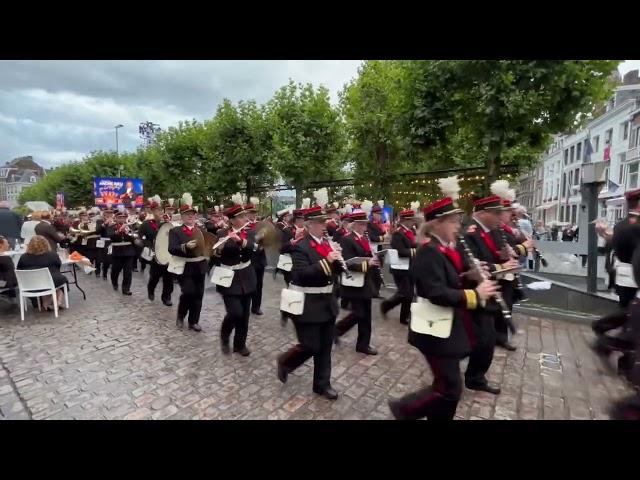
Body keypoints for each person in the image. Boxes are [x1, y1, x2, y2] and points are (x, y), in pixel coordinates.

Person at [388, 178, 499, 420]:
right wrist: (474, 294)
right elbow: (435, 292)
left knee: (448, 388)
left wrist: (469, 275)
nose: (458, 226)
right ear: (437, 224)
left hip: (447, 328)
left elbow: (448, 280)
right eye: (453, 221)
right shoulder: (429, 252)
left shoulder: (443, 249)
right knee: (449, 389)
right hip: (433, 330)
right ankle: (405, 409)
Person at [276, 205, 344, 400]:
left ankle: (322, 385)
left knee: (325, 347)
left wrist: (339, 262)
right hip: (307, 304)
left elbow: (334, 272)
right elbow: (301, 274)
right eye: (320, 222)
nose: (325, 226)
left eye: (325, 222)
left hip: (327, 301)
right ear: (309, 225)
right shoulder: (300, 247)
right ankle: (285, 361)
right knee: (310, 346)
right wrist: (327, 262)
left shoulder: (328, 244)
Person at [463, 194, 521, 395]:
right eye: (496, 212)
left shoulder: (494, 231)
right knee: (482, 338)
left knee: (485, 338)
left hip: (492, 289)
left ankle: (474, 376)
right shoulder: (470, 232)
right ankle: (467, 375)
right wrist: (501, 265)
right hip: (474, 290)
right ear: (482, 213)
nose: (501, 216)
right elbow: (471, 262)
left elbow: (497, 253)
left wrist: (508, 256)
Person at [334, 210, 380, 355]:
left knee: (365, 314)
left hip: (366, 281)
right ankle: (336, 331)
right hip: (354, 282)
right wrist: (367, 264)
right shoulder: (347, 239)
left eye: (364, 224)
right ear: (354, 225)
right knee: (359, 314)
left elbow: (367, 255)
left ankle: (363, 344)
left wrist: (376, 259)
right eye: (361, 224)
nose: (364, 226)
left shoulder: (364, 238)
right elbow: (347, 263)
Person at [216, 201, 257, 355]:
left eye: (244, 216)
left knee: (245, 315)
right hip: (228, 278)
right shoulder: (221, 234)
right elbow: (216, 256)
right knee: (235, 313)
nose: (245, 219)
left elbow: (254, 250)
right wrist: (219, 250)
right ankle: (225, 336)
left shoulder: (250, 233)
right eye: (240, 217)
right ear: (232, 220)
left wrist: (240, 241)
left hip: (246, 276)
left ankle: (240, 345)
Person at [168, 194, 208, 332]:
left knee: (199, 294)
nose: (191, 216)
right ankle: (180, 315)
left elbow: (207, 247)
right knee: (188, 292)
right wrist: (185, 246)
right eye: (187, 214)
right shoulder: (175, 231)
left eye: (193, 214)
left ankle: (193, 321)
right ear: (182, 216)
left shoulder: (202, 231)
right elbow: (171, 248)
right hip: (184, 266)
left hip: (200, 266)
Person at [380, 207, 419, 325]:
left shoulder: (410, 232)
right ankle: (387, 306)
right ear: (404, 220)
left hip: (410, 266)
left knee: (409, 293)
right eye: (410, 219)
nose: (413, 221)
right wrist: (416, 251)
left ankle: (404, 316)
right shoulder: (398, 233)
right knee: (405, 293)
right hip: (400, 267)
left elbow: (414, 244)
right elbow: (401, 251)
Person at [16, 235, 68, 310]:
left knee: (47, 280)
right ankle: (58, 302)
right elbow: (58, 265)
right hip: (48, 282)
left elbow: (19, 269)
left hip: (29, 285)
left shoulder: (24, 257)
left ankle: (45, 303)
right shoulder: (52, 255)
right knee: (61, 280)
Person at [139, 197, 173, 306]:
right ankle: (151, 290)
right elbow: (140, 238)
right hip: (154, 255)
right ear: (152, 212)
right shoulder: (146, 224)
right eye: (156, 210)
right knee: (155, 277)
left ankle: (166, 297)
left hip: (167, 254)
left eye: (160, 210)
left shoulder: (168, 223)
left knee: (169, 278)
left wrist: (168, 223)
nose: (159, 212)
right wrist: (148, 247)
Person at [106, 209, 137, 296]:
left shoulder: (129, 226)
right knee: (115, 270)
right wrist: (119, 231)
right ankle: (114, 282)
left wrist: (128, 233)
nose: (122, 219)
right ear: (115, 218)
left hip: (128, 251)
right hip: (117, 251)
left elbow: (134, 237)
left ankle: (126, 289)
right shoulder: (111, 226)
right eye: (120, 217)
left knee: (128, 272)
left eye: (123, 217)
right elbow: (110, 236)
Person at [245, 200, 266, 316]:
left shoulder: (260, 224)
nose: (253, 215)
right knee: (250, 283)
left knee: (259, 284)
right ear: (247, 213)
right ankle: (247, 305)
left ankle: (256, 306)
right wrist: (258, 238)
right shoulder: (245, 226)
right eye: (251, 212)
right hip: (250, 258)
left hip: (261, 259)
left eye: (254, 212)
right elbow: (246, 242)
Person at [95, 206, 114, 280]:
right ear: (104, 213)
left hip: (110, 242)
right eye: (107, 212)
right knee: (99, 258)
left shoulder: (114, 221)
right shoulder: (100, 221)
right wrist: (105, 223)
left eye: (111, 213)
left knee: (108, 259)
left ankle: (105, 273)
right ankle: (97, 271)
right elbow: (97, 231)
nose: (109, 214)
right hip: (102, 241)